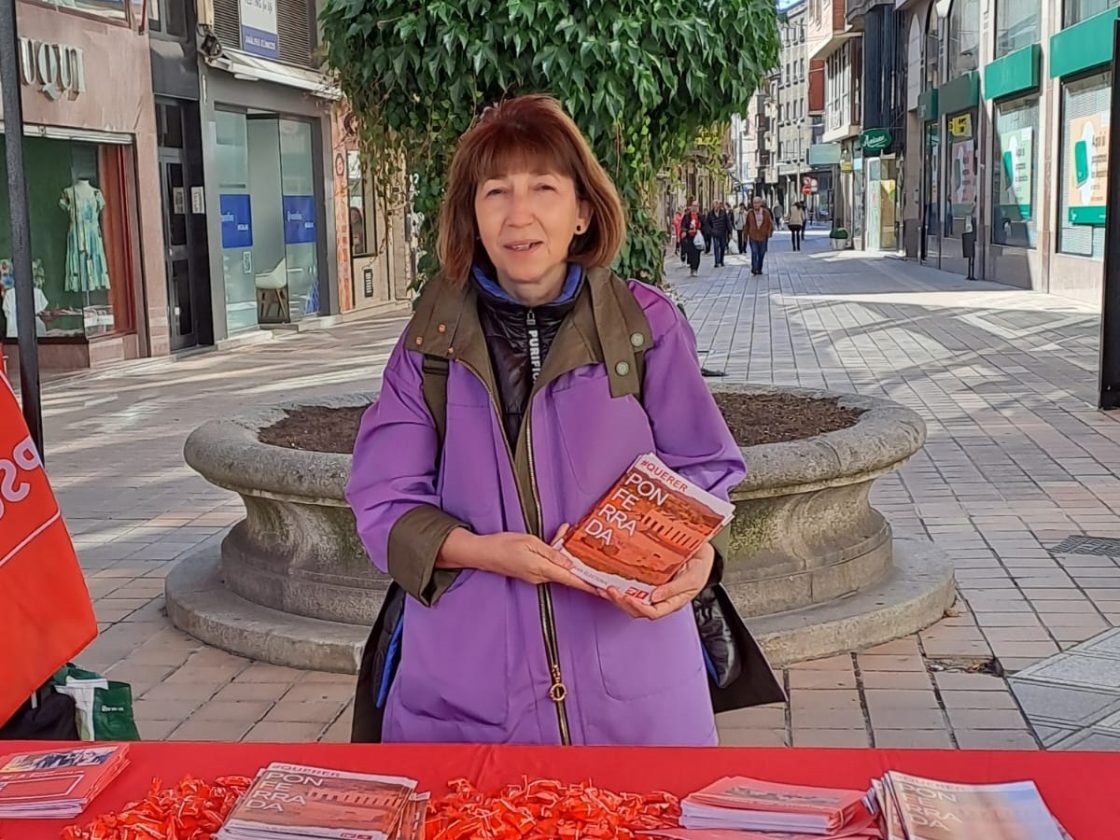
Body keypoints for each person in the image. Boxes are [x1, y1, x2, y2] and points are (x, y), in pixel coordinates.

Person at [346, 95, 781, 746]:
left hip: (636, 697)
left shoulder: (644, 327)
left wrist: (696, 558)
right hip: (468, 700)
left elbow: (703, 471)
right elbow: (383, 501)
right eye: (495, 192)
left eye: (543, 188)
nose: (519, 215)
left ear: (581, 211)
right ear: (472, 212)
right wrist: (485, 552)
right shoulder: (428, 344)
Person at [744, 196, 774, 276]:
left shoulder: (766, 213)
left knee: (761, 253)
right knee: (754, 252)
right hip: (753, 236)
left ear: (760, 203)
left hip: (763, 236)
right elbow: (747, 225)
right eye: (754, 203)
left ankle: (759, 268)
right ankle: (754, 268)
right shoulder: (750, 213)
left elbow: (770, 224)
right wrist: (745, 235)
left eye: (757, 203)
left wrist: (769, 232)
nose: (755, 205)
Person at [680, 200, 704, 276]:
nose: (694, 208)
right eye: (693, 206)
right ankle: (691, 268)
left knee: (697, 254)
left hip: (697, 238)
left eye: (696, 206)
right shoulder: (687, 215)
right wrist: (684, 231)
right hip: (689, 237)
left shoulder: (700, 216)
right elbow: (683, 225)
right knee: (690, 253)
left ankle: (695, 269)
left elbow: (704, 225)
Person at [706, 201, 732, 268]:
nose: (716, 206)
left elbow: (727, 222)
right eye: (714, 205)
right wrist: (710, 230)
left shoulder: (723, 213)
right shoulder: (710, 213)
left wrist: (730, 231)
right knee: (716, 246)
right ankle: (717, 262)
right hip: (715, 233)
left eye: (717, 205)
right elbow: (707, 223)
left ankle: (721, 260)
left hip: (722, 232)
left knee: (723, 246)